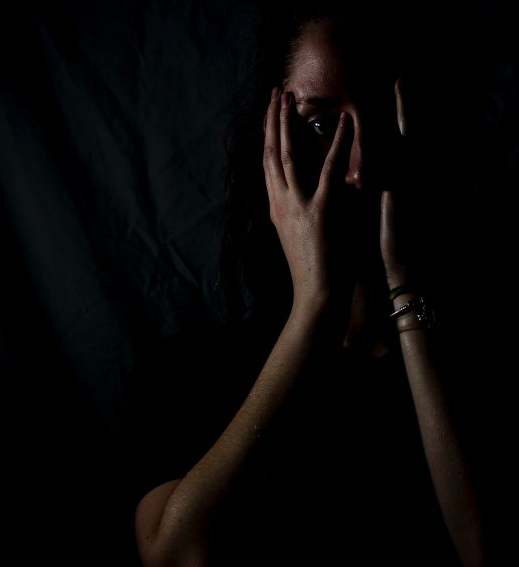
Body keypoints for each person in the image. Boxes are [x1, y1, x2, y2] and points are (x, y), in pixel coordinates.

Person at [131, 6, 484, 566]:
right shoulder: (194, 374)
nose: (359, 168)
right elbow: (173, 553)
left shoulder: (484, 357)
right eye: (322, 125)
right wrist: (314, 309)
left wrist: (403, 280)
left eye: (383, 122)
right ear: (270, 143)